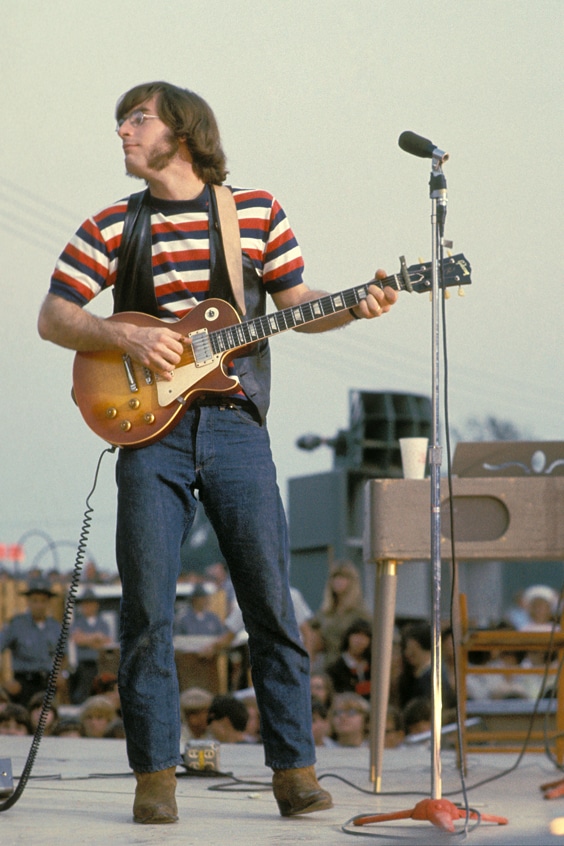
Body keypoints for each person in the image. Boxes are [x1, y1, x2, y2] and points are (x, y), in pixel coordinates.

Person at [37, 80, 398, 825]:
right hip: (150, 433)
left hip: (236, 426)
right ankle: (154, 779)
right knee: (146, 610)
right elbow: (54, 315)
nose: (123, 131)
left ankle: (295, 772)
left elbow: (298, 306)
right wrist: (122, 334)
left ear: (183, 131)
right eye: (121, 121)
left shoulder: (255, 213)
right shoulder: (113, 224)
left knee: (269, 600)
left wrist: (354, 305)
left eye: (138, 119)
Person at [0, 577, 63, 707]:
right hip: (23, 684)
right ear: (28, 602)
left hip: (48, 683)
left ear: (48, 603)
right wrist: (4, 681)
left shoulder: (55, 627)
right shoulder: (17, 624)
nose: (39, 605)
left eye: (43, 601)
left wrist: (62, 674)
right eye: (35, 601)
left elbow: (64, 654)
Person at [312, 561, 371, 670]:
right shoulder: (325, 612)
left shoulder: (360, 613)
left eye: (343, 577)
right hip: (329, 666)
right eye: (335, 577)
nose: (338, 581)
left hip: (351, 668)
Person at [69, 588, 112, 704]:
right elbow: (77, 639)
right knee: (83, 694)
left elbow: (106, 642)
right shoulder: (77, 622)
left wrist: (86, 638)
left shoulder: (103, 623)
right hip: (84, 665)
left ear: (96, 605)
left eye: (90, 603)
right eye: (85, 604)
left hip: (100, 664)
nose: (87, 606)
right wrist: (96, 637)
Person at [326, 618, 371, 699]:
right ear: (348, 637)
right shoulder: (336, 669)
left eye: (365, 636)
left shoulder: (373, 667)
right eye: (356, 634)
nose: (360, 640)